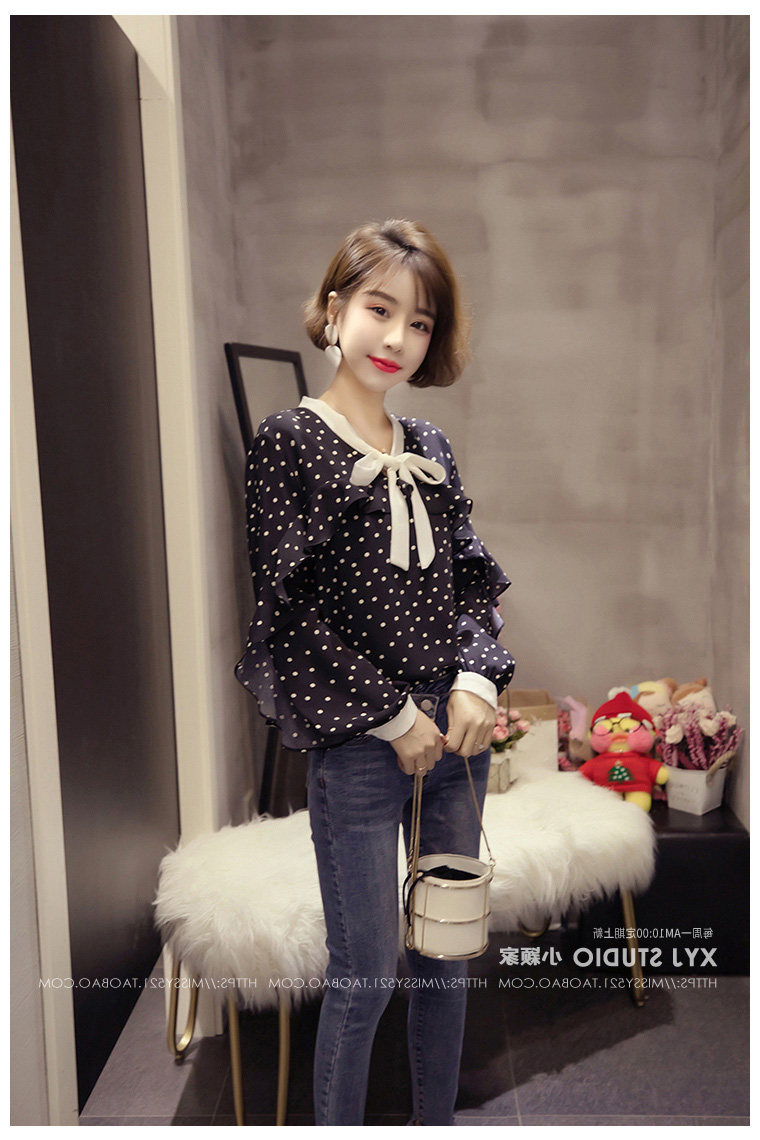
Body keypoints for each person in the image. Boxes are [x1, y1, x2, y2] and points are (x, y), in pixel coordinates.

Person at [235, 219, 515, 1126]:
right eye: (379, 309)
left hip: (457, 743)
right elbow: (291, 619)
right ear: (333, 311)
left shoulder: (430, 444)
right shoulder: (289, 441)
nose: (398, 337)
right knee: (366, 976)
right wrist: (395, 718)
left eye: (421, 323)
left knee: (445, 958)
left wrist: (477, 679)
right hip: (361, 745)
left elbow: (471, 580)